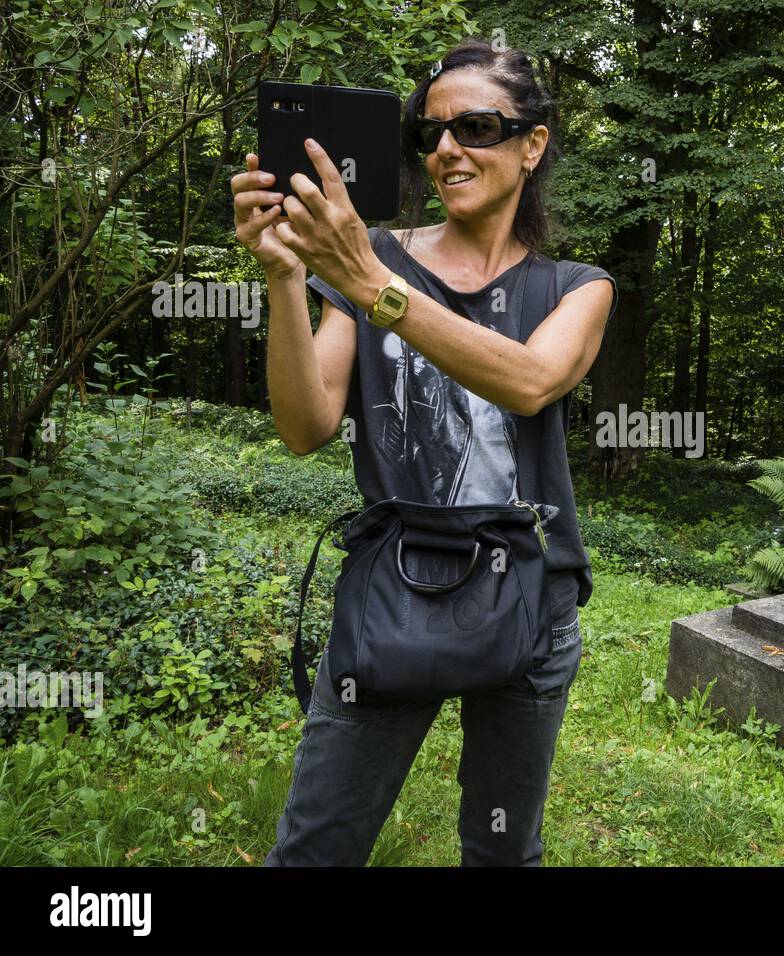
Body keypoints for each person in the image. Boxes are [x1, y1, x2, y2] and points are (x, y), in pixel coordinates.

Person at [231, 37, 618, 865]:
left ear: (532, 144)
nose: (447, 149)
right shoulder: (373, 256)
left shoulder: (577, 287)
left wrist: (370, 283)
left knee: (502, 848)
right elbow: (304, 429)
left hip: (530, 605)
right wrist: (287, 279)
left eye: (476, 127)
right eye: (429, 133)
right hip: (391, 595)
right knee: (315, 848)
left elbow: (528, 381)